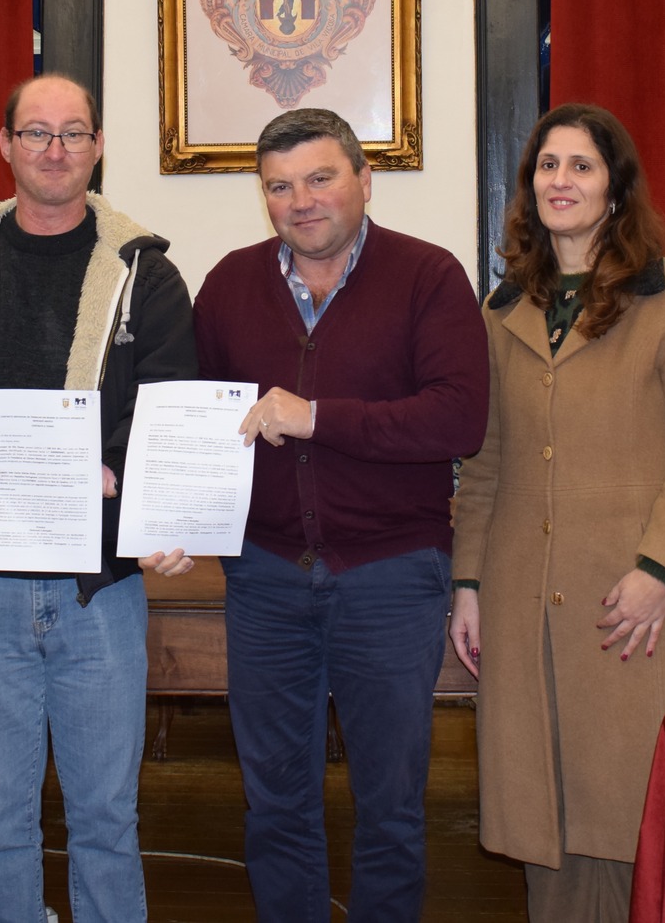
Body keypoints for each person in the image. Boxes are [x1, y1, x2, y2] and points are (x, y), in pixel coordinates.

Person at [0, 74, 197, 923]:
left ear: (97, 147)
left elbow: (168, 401)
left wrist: (119, 470)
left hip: (101, 590)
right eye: (36, 132)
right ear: (5, 144)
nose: (54, 150)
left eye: (73, 132)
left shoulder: (148, 274)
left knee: (106, 820)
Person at [446, 103, 665, 922]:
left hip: (639, 608)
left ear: (616, 186)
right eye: (547, 165)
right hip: (526, 606)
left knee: (650, 824)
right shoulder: (503, 310)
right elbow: (485, 464)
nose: (561, 180)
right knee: (554, 834)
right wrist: (468, 583)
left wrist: (658, 569)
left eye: (581, 165)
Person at [193, 107, 488, 923]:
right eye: (279, 186)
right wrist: (175, 517)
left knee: (390, 804)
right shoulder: (228, 284)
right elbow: (198, 422)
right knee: (274, 800)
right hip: (264, 576)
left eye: (320, 178)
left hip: (392, 573)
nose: (301, 201)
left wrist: (317, 416)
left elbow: (458, 419)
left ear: (365, 179)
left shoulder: (429, 276)